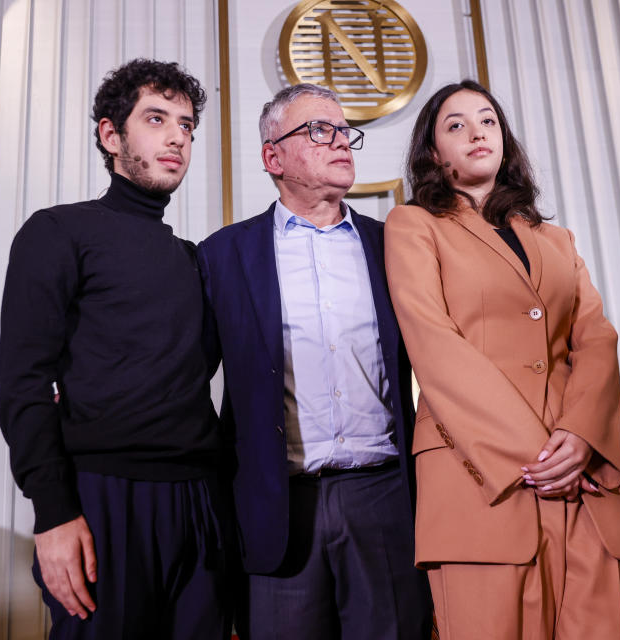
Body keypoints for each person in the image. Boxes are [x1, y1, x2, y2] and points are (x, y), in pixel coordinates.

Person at [384, 79, 620, 639]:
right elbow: (433, 343)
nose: (477, 132)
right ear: (434, 153)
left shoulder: (557, 240)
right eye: (455, 125)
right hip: (480, 475)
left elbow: (596, 337)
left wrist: (581, 435)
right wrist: (535, 452)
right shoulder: (413, 226)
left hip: (581, 475)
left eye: (487, 120)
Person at [0, 58, 230, 640]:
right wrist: (53, 513)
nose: (177, 136)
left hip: (201, 502)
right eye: (157, 119)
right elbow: (24, 383)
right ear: (111, 134)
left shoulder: (193, 259)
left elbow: (197, 371)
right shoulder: (58, 232)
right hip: (103, 500)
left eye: (187, 126)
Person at [196, 84, 432, 640]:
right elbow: (186, 375)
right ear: (272, 157)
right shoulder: (223, 255)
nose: (341, 142)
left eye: (344, 131)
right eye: (319, 130)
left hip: (384, 499)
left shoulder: (392, 245)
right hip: (279, 505)